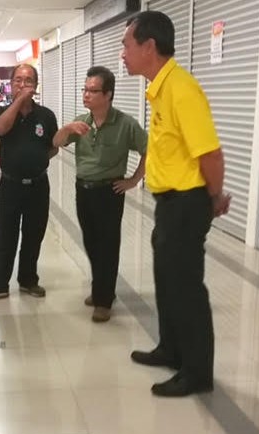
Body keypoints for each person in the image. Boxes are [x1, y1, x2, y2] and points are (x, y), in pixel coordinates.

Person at [121, 11, 230, 397]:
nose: (122, 53)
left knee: (186, 288)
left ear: (149, 46)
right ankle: (171, 349)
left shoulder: (181, 89)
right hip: (169, 203)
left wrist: (213, 197)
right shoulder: (160, 88)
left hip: (187, 203)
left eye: (126, 45)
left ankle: (197, 372)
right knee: (166, 282)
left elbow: (210, 154)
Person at [52, 66, 147, 323]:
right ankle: (101, 288)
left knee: (108, 245)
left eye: (92, 91)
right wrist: (67, 128)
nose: (86, 94)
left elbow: (149, 151)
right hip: (83, 190)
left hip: (109, 191)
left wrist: (133, 180)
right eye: (85, 89)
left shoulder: (126, 124)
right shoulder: (81, 121)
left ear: (108, 94)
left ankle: (104, 300)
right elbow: (57, 142)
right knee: (92, 242)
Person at [0, 64, 59, 303]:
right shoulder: (1, 111)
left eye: (28, 80)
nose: (23, 85)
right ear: (11, 85)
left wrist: (38, 159)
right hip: (10, 185)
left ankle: (28, 279)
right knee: (6, 236)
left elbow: (52, 146)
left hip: (38, 185)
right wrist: (19, 101)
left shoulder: (46, 116)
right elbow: (0, 130)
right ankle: (0, 283)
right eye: (18, 81)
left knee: (34, 234)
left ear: (36, 85)